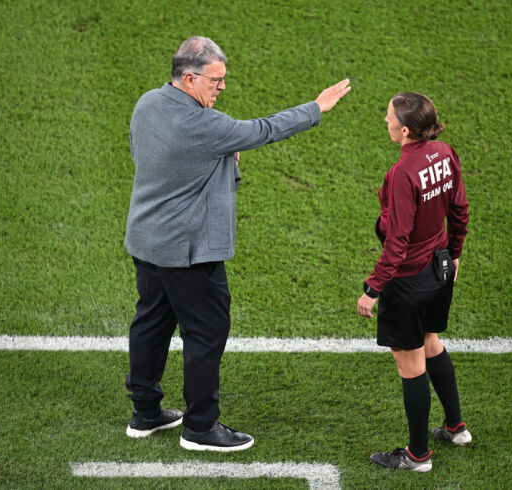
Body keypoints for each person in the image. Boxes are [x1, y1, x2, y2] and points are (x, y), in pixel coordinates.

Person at [123, 36, 350, 452]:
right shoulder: (204, 125)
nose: (222, 87)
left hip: (146, 241)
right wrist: (315, 108)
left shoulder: (146, 104)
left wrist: (220, 159)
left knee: (151, 324)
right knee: (207, 333)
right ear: (189, 79)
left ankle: (145, 412)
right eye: (216, 80)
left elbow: (150, 155)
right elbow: (262, 131)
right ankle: (200, 428)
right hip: (189, 253)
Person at [357, 92, 471, 472]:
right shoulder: (444, 152)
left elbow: (398, 240)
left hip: (408, 280)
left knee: (410, 363)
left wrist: (373, 288)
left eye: (388, 116)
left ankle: (418, 454)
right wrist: (454, 252)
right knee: (431, 343)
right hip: (440, 268)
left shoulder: (402, 174)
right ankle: (455, 427)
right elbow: (459, 208)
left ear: (405, 130)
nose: (384, 120)